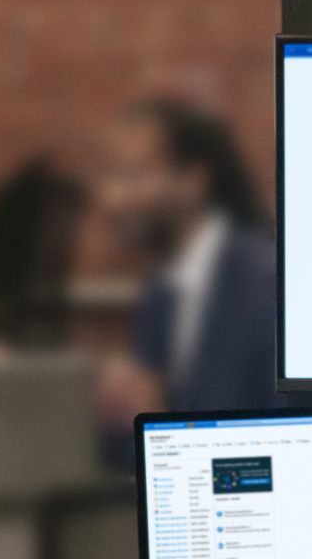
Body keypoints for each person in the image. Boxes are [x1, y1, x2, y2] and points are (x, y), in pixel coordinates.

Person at [95, 100, 297, 413]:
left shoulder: (271, 286)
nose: (113, 198)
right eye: (113, 177)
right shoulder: (159, 293)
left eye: (135, 176)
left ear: (194, 179)